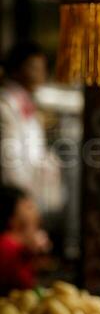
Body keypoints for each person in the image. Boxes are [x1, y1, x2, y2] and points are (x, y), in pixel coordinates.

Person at [0, 42, 61, 214]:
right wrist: (20, 199)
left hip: (28, 194)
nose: (41, 74)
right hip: (15, 199)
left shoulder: (25, 103)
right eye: (34, 67)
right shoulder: (6, 105)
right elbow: (10, 158)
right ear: (16, 70)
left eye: (43, 68)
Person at [0, 185, 48, 294]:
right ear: (12, 217)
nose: (35, 210)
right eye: (28, 207)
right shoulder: (6, 246)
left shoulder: (23, 245)